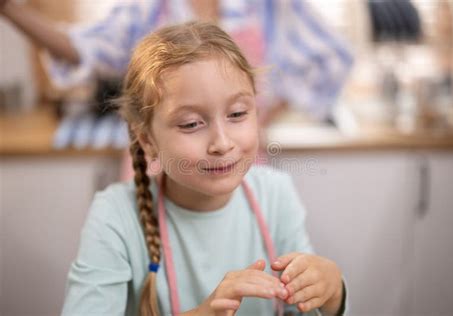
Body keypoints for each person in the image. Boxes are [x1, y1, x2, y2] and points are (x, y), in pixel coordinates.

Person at [60, 22, 347, 315]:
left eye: (237, 114)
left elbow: (303, 307)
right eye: (191, 124)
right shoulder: (115, 216)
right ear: (147, 140)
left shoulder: (276, 194)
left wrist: (333, 294)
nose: (222, 143)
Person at [0, 0, 353, 124]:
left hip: (245, 166)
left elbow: (334, 57)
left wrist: (262, 120)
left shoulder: (269, 4)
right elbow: (80, 47)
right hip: (161, 171)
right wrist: (9, 8)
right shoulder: (150, 7)